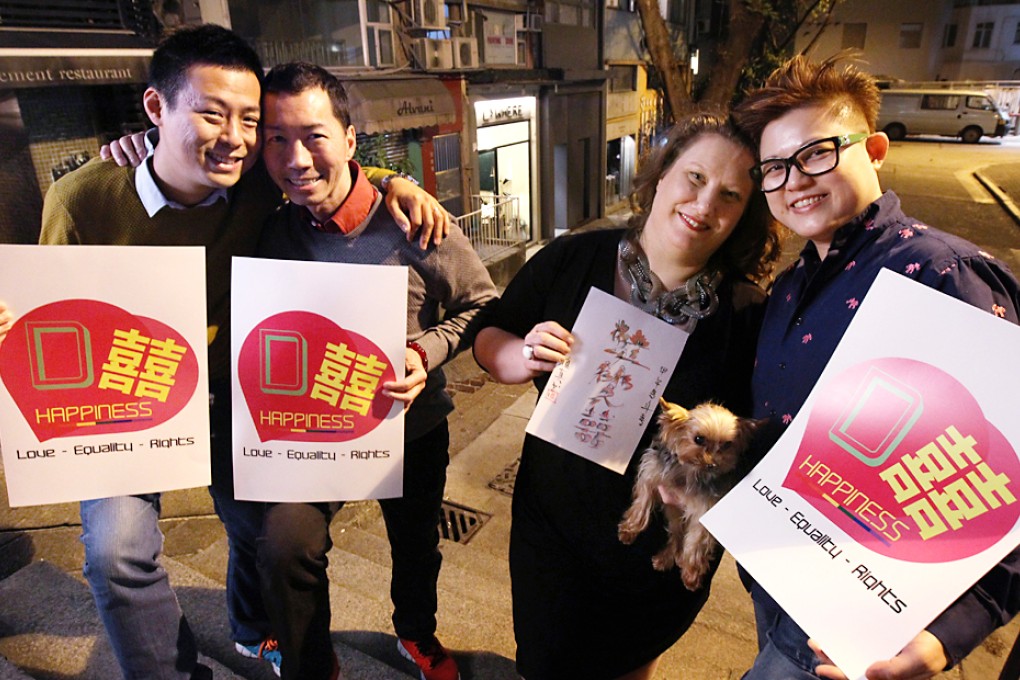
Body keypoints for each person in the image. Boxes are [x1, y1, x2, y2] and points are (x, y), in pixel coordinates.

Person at [38, 25, 449, 680]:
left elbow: (321, 164)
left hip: (233, 395)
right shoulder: (81, 199)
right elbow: (53, 318)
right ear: (155, 109)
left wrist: (394, 180)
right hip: (129, 399)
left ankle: (251, 628)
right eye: (209, 113)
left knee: (254, 529)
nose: (235, 136)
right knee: (117, 554)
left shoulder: (259, 182)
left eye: (249, 119)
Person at [732, 54, 1020, 680]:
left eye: (818, 153)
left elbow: (1005, 469)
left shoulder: (942, 274)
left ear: (877, 149)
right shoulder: (788, 287)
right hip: (780, 575)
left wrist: (952, 630)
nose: (795, 181)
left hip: (867, 612)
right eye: (775, 168)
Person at [473, 112, 782, 680]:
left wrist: (711, 481)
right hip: (554, 526)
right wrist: (520, 357)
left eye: (730, 194)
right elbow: (491, 332)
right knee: (544, 663)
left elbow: (765, 439)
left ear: (744, 214)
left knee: (629, 666)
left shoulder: (749, 315)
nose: (705, 204)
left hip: (655, 544)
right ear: (661, 176)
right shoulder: (574, 260)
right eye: (693, 178)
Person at [252, 62, 497, 680]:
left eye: (313, 136)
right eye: (276, 139)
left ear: (350, 139)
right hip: (308, 430)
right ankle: (313, 660)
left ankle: (416, 634)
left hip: (406, 428)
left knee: (415, 545)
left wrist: (424, 354)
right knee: (285, 544)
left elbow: (484, 302)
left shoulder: (416, 222)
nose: (296, 158)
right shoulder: (273, 228)